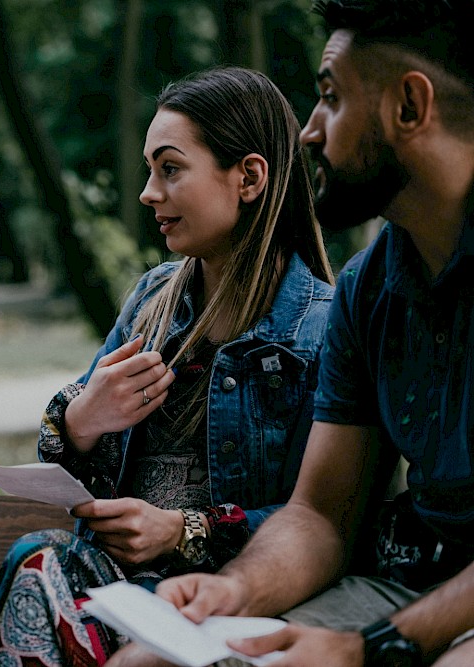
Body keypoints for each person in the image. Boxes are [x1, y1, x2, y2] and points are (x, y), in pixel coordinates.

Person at [110, 1, 474, 666]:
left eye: (331, 98)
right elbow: (320, 516)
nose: (308, 131)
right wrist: (231, 589)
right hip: (406, 586)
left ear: (410, 106)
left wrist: (373, 649)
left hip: (435, 620)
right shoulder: (370, 288)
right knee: (148, 661)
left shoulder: (316, 308)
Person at [0, 66, 335, 667]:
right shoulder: (151, 301)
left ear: (249, 177)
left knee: (42, 571)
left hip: (224, 601)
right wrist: (81, 419)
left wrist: (180, 529)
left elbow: (321, 516)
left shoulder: (321, 330)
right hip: (113, 588)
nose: (148, 192)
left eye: (170, 168)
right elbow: (63, 458)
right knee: (39, 562)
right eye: (148, 169)